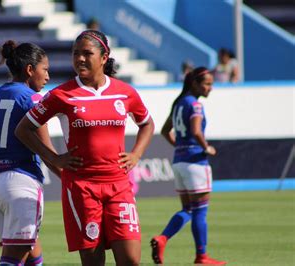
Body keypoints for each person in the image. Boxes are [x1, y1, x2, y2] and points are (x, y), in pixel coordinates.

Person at [15, 29, 155, 266]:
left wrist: (136, 154)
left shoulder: (125, 92)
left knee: (131, 260)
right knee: (93, 262)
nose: (79, 59)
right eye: (75, 53)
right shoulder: (61, 95)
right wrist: (54, 158)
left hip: (119, 185)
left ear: (104, 57)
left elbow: (147, 124)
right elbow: (23, 129)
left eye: (87, 53)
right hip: (81, 188)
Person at [0, 40, 61, 266]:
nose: (48, 76)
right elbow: (46, 150)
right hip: (20, 184)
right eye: (45, 69)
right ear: (30, 70)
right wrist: (71, 178)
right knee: (12, 259)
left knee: (32, 252)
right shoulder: (33, 99)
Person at [151, 67, 226, 265]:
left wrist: (181, 147)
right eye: (207, 84)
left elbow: (165, 130)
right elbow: (196, 130)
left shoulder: (178, 104)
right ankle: (202, 256)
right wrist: (205, 147)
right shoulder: (196, 105)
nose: (210, 88)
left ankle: (162, 238)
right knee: (200, 210)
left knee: (188, 209)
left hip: (179, 161)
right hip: (195, 162)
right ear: (195, 84)